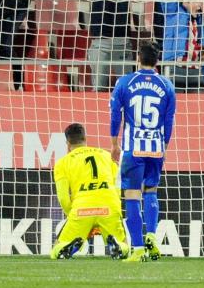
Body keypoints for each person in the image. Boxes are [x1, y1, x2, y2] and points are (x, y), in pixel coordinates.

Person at [109, 41, 177, 263]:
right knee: (151, 191)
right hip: (155, 148)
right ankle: (152, 237)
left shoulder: (125, 82)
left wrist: (114, 143)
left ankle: (138, 248)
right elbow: (168, 121)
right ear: (158, 61)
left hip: (133, 148)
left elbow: (115, 115)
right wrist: (164, 145)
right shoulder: (167, 85)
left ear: (138, 58)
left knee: (131, 195)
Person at [49, 122, 129, 260]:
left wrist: (74, 215)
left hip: (82, 209)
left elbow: (63, 197)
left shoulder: (62, 163)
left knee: (56, 249)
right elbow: (117, 186)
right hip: (109, 206)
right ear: (85, 138)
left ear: (67, 143)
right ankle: (118, 247)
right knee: (124, 246)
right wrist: (114, 208)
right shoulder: (106, 156)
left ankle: (65, 247)